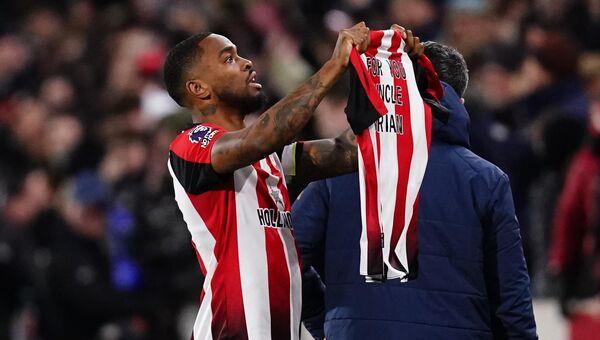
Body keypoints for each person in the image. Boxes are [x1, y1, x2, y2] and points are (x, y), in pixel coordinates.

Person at [163, 22, 425, 339]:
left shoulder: (273, 159)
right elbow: (260, 139)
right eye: (228, 58)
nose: (247, 62)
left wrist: (393, 76)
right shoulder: (192, 145)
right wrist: (332, 66)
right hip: (229, 330)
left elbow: (353, 150)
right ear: (199, 89)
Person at [292, 41, 538, 339]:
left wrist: (330, 320)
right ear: (459, 103)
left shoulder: (338, 170)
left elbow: (288, 257)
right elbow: (512, 299)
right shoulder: (485, 180)